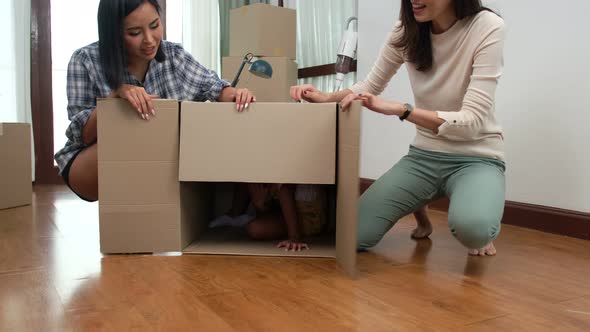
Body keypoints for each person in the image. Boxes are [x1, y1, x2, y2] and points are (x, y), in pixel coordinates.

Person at [290, 0, 505, 256]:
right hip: (424, 157)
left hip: (476, 158)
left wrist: (402, 110)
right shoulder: (406, 31)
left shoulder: (487, 26)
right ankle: (421, 203)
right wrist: (326, 98)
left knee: (474, 230)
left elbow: (472, 121)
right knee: (351, 235)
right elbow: (370, 85)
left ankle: (479, 219)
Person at [54, 0, 255, 202]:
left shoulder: (174, 56)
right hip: (92, 161)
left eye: (155, 26)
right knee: (139, 134)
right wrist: (114, 99)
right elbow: (82, 135)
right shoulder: (85, 60)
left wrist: (235, 95)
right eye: (134, 33)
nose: (149, 40)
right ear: (113, 33)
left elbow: (215, 87)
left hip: (156, 167)